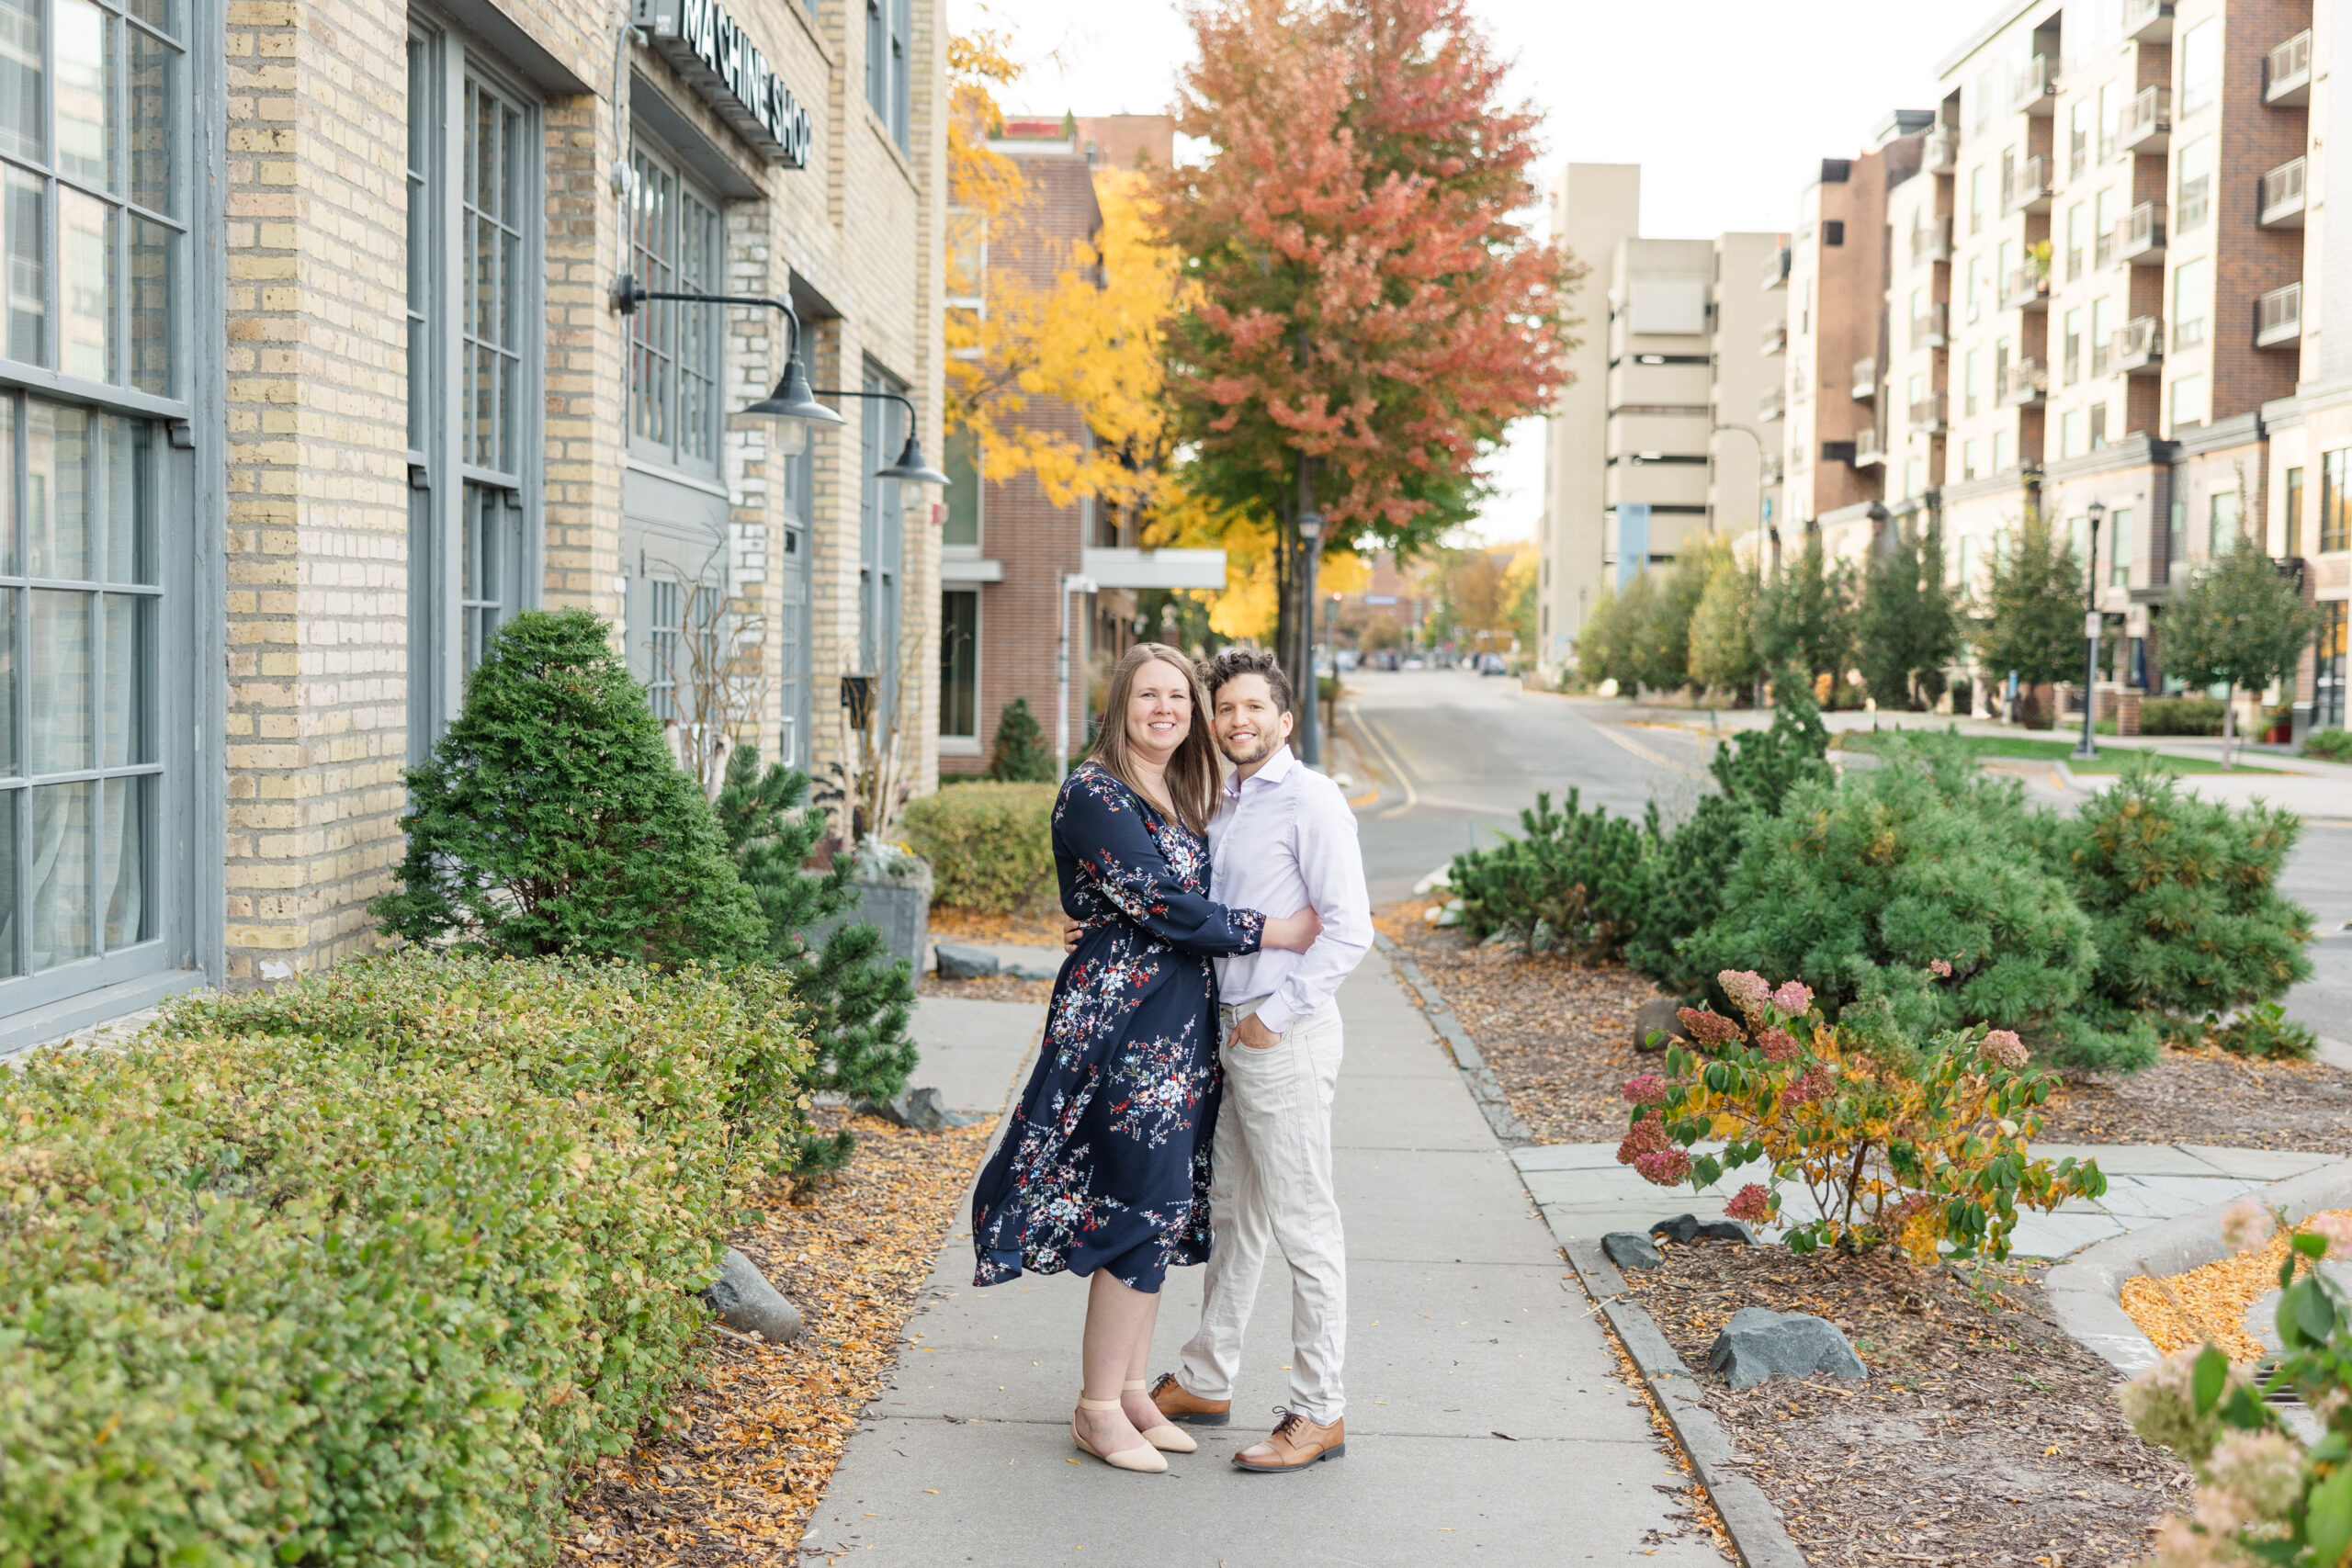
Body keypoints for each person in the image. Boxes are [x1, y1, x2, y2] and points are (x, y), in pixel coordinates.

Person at [969, 642, 1323, 1476]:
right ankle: (1097, 1407)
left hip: (1178, 1025)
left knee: (1162, 1208)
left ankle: (1132, 1387)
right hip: (1122, 1031)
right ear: (1119, 704)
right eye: (1148, 694)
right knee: (1136, 1203)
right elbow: (1160, 903)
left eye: (1179, 696)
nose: (1166, 707)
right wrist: (1272, 929)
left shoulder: (1180, 787)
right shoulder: (1094, 791)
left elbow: (1150, 902)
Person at [1069, 648, 1373, 1473]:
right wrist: (1102, 928)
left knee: (1305, 1220)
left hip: (1280, 1033)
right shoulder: (1220, 797)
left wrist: (1274, 1019)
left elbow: (1349, 928)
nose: (1238, 721)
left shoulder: (1312, 800)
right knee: (1233, 1214)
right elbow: (1173, 903)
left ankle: (1319, 1407)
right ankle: (1205, 1377)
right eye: (1225, 709)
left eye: (1253, 709)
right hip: (1222, 1032)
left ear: (1284, 717)